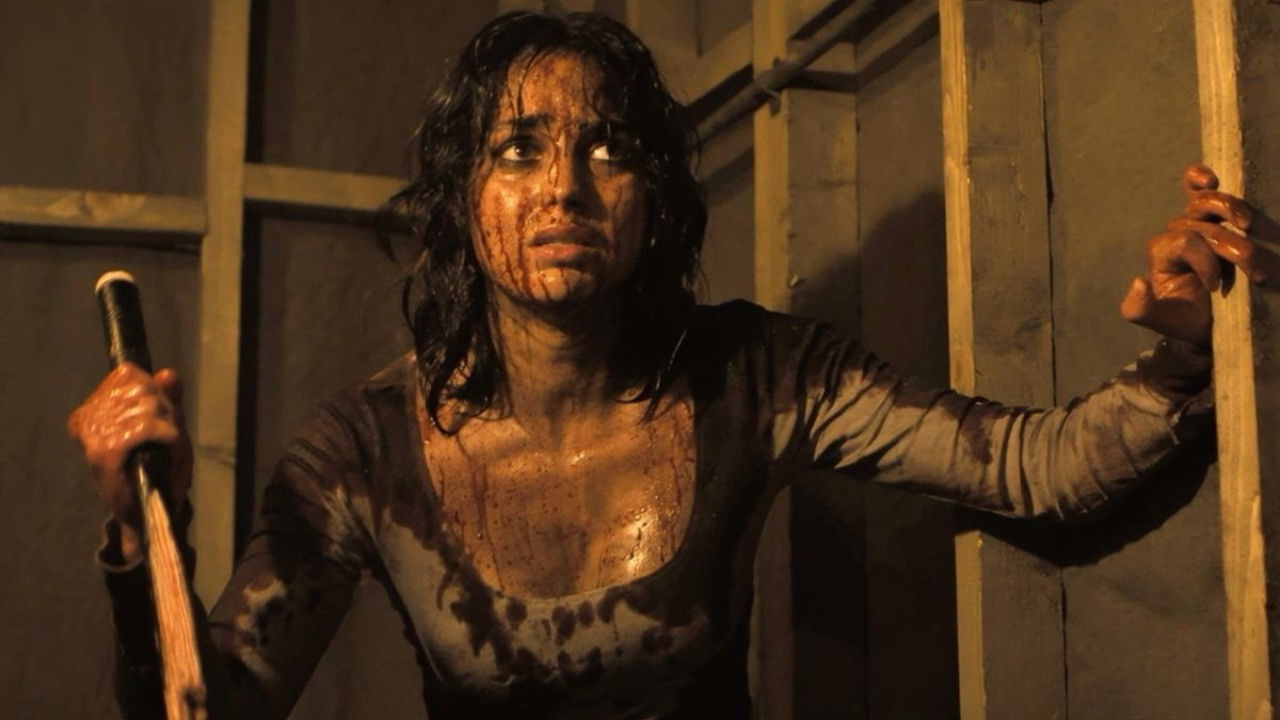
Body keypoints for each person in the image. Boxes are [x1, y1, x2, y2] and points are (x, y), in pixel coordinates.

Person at [67, 11, 1275, 720]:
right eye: (517, 149)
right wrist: (135, 536)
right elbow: (208, 706)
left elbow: (1031, 470)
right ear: (460, 196)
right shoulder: (364, 451)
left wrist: (1179, 349)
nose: (564, 187)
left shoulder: (755, 373)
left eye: (607, 150)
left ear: (651, 200)